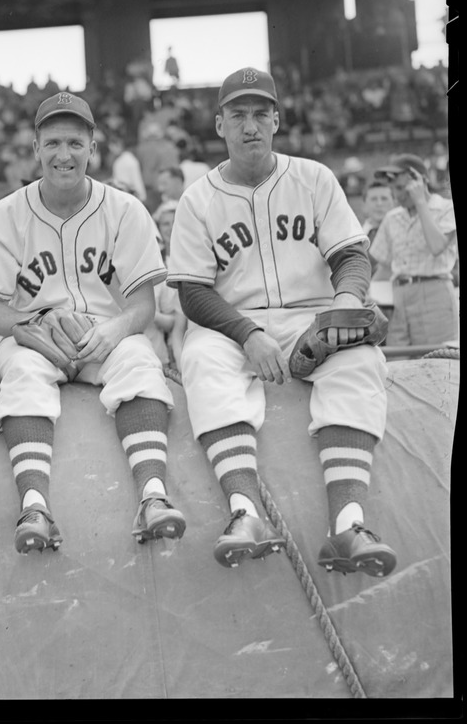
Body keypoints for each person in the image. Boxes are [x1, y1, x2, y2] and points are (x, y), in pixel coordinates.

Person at [166, 67, 396, 578]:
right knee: (201, 357)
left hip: (314, 312)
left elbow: (352, 255)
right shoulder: (197, 199)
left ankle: (348, 524)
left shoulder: (314, 178)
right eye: (238, 115)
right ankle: (246, 513)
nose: (250, 125)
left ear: (277, 121)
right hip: (232, 325)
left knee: (361, 360)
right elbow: (191, 290)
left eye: (260, 114)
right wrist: (247, 334)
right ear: (220, 125)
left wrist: (344, 304)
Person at [0, 92, 183, 554]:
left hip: (105, 332)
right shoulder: (6, 215)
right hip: (32, 337)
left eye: (75, 143)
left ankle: (153, 496)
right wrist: (32, 329)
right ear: (37, 148)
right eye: (54, 143)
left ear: (93, 147)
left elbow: (142, 306)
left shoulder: (125, 210)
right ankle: (35, 505)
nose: (65, 155)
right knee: (21, 376)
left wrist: (113, 331)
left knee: (141, 364)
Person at [369, 153, 458, 347]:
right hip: (398, 299)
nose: (397, 195)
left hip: (434, 294)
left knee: (437, 363)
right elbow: (384, 268)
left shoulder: (446, 209)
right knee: (398, 365)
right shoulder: (392, 217)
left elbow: (437, 246)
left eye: (401, 188)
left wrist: (420, 203)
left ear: (421, 181)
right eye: (393, 189)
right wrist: (366, 297)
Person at [145, 201, 186, 370]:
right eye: (165, 224)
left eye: (174, 222)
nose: (170, 228)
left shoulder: (190, 258)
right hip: (165, 334)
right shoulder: (154, 261)